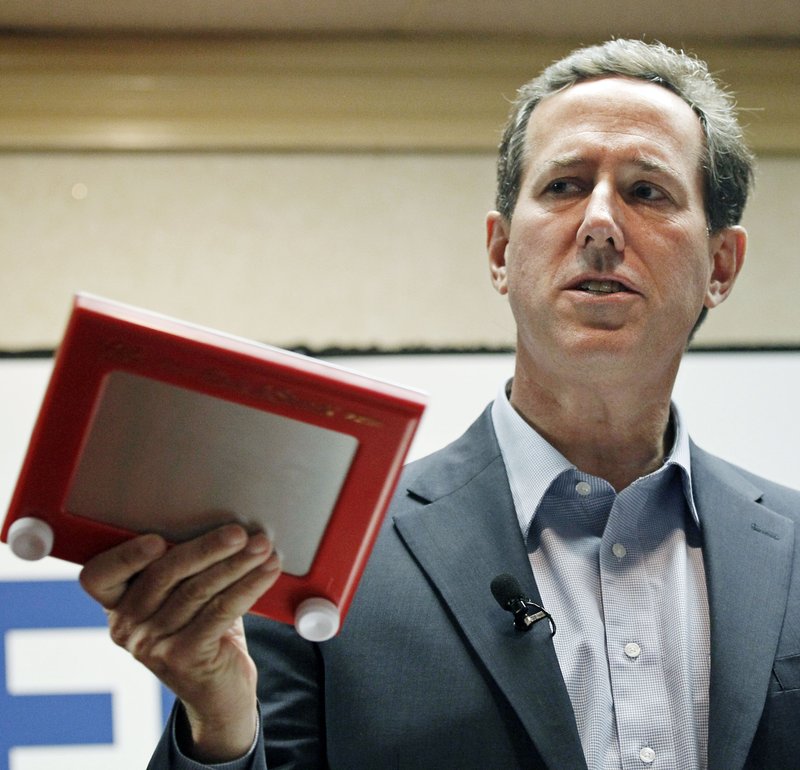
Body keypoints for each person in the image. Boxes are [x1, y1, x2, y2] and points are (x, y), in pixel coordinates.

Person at [80, 39, 800, 770]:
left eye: (647, 191)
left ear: (721, 265)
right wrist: (219, 720)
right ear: (499, 252)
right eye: (564, 186)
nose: (600, 224)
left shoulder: (794, 548)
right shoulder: (331, 550)